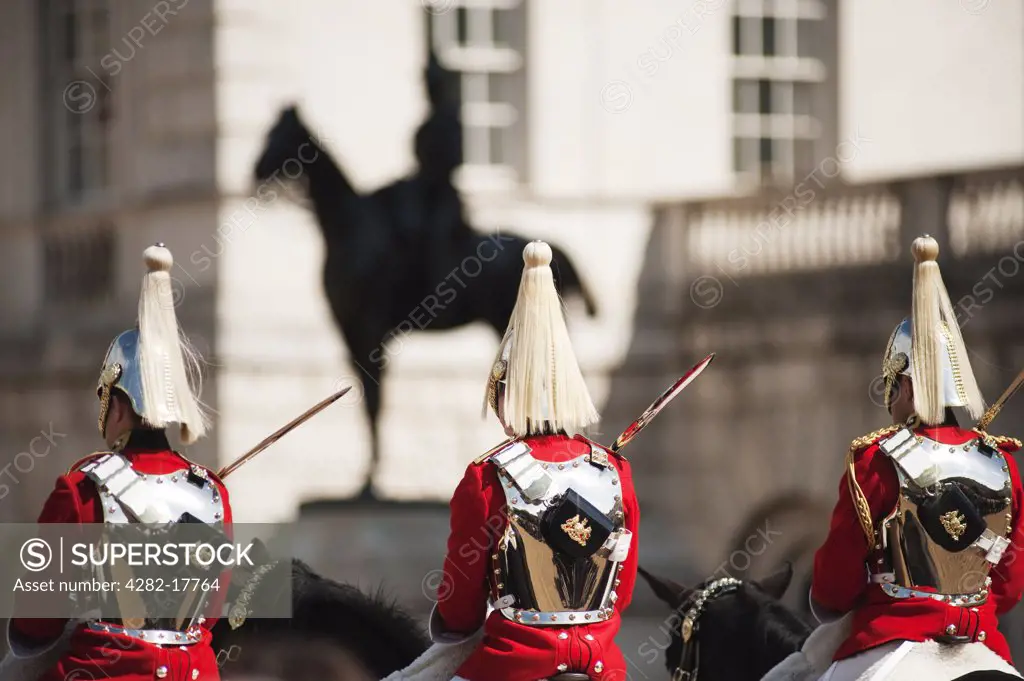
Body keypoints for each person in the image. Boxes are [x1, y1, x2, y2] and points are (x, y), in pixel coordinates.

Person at [3, 244, 233, 681]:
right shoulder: (211, 490)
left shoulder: (80, 491)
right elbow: (211, 615)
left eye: (105, 402)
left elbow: (35, 624)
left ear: (120, 406)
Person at [810, 235, 1024, 679]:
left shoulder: (875, 461)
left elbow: (835, 584)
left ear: (905, 386)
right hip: (983, 640)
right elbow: (1008, 583)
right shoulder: (1001, 461)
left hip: (893, 634)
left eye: (891, 385)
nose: (889, 400)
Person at [431, 241, 638, 681]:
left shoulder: (485, 478)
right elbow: (620, 596)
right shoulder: (614, 470)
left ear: (508, 397)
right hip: (602, 668)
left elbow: (459, 606)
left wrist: (454, 623)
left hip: (512, 666)